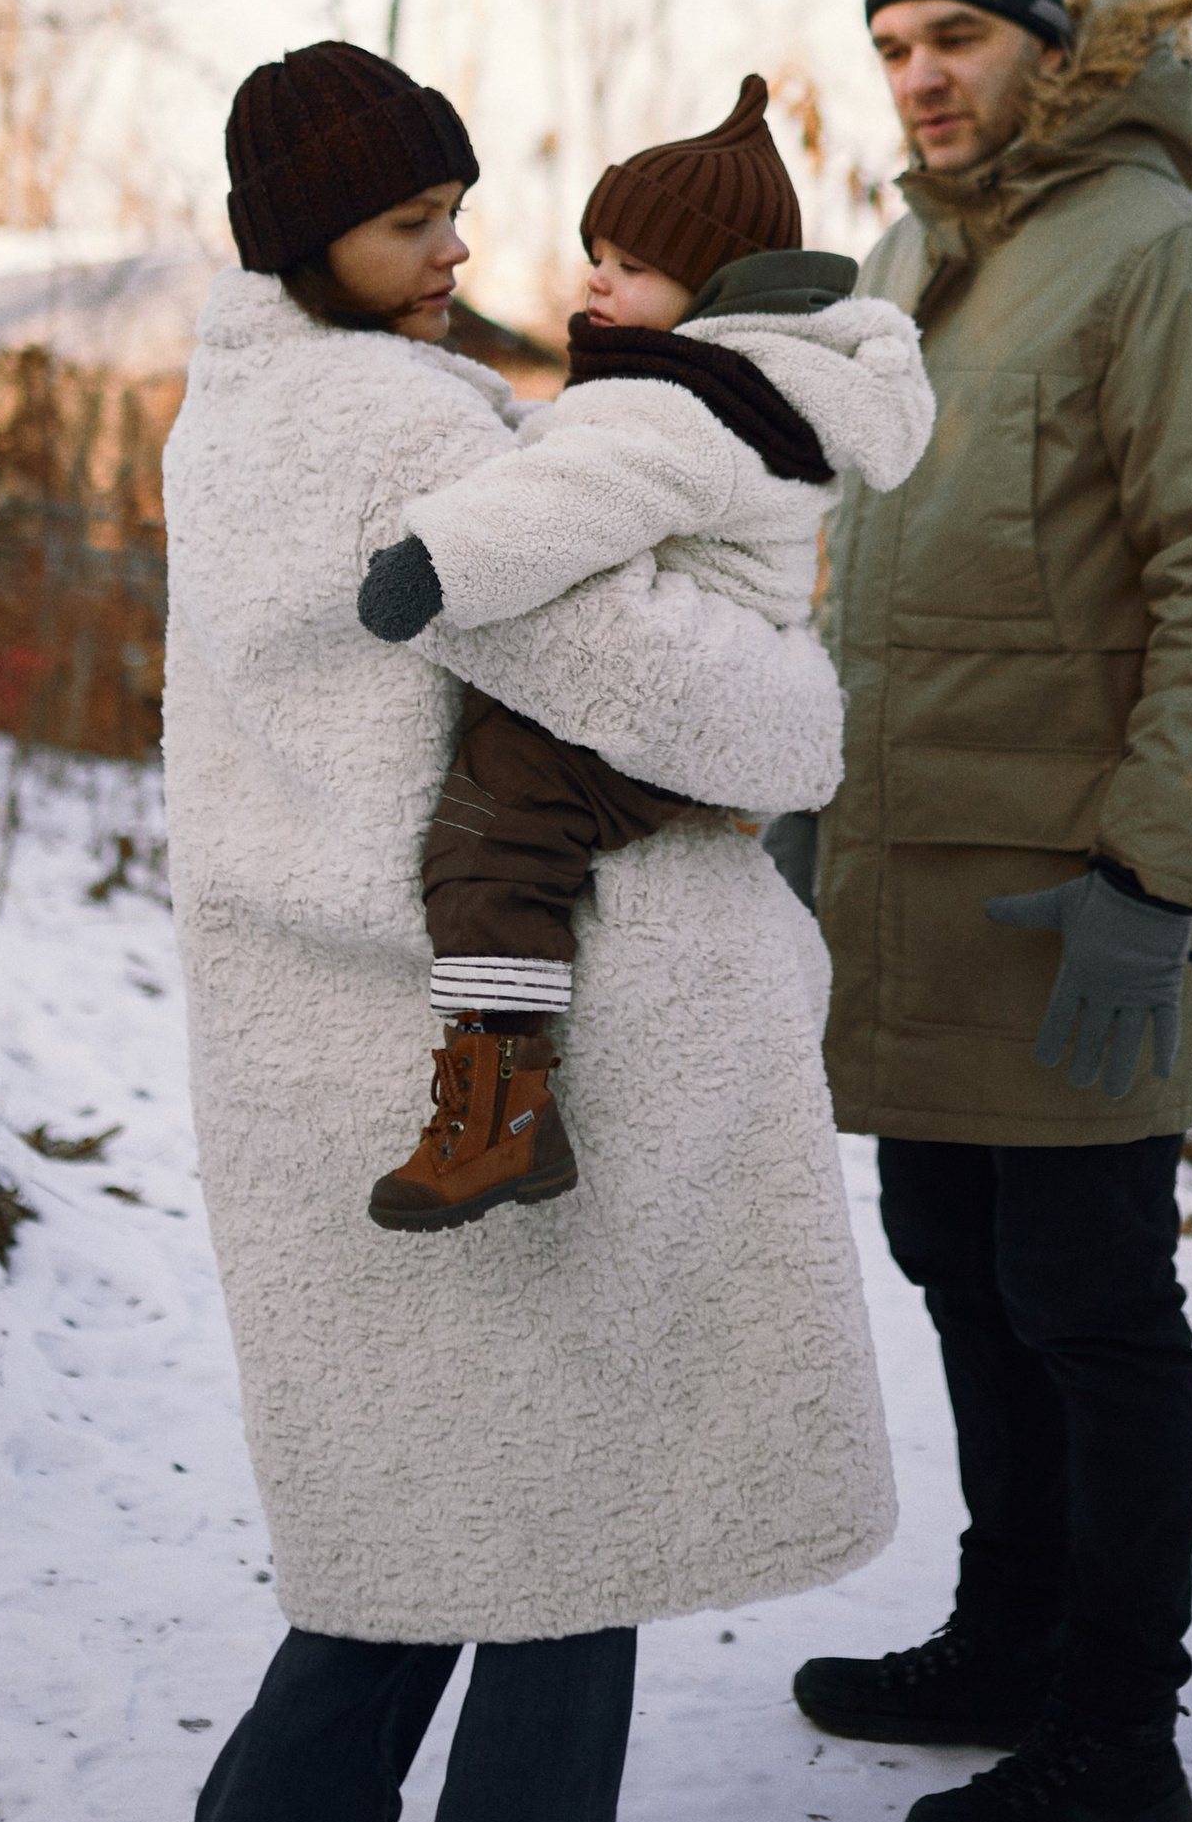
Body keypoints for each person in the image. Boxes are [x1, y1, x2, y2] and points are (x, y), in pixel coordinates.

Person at [159, 38, 895, 1822]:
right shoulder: (420, 438)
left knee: (417, 1503)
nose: (454, 252)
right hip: (521, 1033)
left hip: (327, 1027)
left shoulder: (230, 416)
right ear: (306, 236)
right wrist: (798, 711)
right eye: (412, 222)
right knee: (576, 1506)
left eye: (455, 214)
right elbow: (682, 699)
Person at [767, 0, 1192, 1822]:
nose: (918, 79)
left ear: (1045, 48)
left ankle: (1115, 1730)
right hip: (913, 893)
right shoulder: (910, 262)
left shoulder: (1162, 256)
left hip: (1082, 903)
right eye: (891, 47)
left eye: (956, 39)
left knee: (1090, 1298)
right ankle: (1004, 1637)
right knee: (954, 1253)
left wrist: (1151, 880)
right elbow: (875, 577)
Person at [353, 75, 934, 1230]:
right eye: (596, 254)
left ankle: (498, 1113)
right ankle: (501, 1104)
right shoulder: (752, 389)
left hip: (656, 706)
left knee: (491, 835)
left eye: (630, 263)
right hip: (715, 705)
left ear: (713, 285)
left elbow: (569, 497)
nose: (597, 280)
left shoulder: (683, 408)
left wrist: (434, 564)